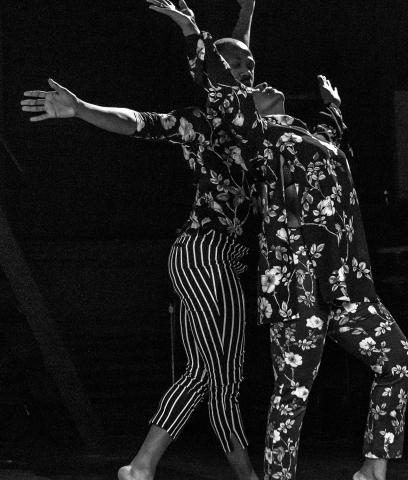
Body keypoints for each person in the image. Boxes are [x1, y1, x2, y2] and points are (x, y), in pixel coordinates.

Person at [166, 13, 408, 480]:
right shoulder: (252, 137)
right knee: (292, 394)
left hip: (347, 283)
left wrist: (332, 105)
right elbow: (220, 85)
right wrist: (191, 32)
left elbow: (333, 141)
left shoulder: (307, 134)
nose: (263, 82)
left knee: (399, 360)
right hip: (295, 285)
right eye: (251, 86)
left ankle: (372, 469)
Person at [20, 3, 261, 480]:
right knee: (214, 375)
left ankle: (180, 470)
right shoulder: (203, 122)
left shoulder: (250, 123)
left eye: (251, 66)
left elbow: (234, 60)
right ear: (214, 71)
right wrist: (82, 109)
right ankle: (183, 470)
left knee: (214, 376)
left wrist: (248, 8)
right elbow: (137, 121)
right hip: (203, 251)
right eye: (237, 67)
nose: (248, 71)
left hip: (224, 258)